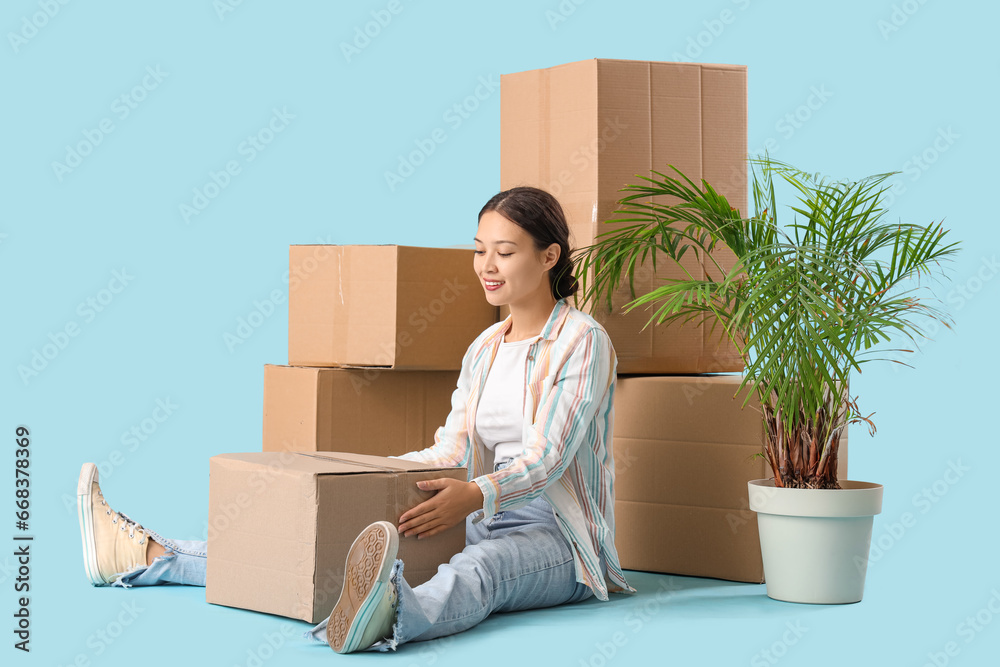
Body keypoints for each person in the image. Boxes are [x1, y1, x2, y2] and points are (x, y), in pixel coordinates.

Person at [77, 186, 634, 653]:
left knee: (481, 571)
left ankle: (388, 619)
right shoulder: (486, 347)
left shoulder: (582, 341)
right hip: (476, 506)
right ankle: (147, 555)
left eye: (505, 252)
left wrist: (476, 495)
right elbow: (453, 450)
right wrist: (368, 478)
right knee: (323, 536)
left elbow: (547, 458)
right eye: (479, 250)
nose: (487, 267)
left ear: (549, 256)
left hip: (558, 537)